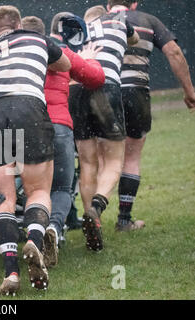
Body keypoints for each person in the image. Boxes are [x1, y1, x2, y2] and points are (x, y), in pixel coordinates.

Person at [0, 5, 70, 295]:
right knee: (39, 191)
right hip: (28, 108)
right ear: (18, 24)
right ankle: (33, 238)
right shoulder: (37, 39)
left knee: (3, 196)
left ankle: (11, 273)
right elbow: (65, 65)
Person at [22, 14, 105, 267]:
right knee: (61, 187)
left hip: (21, 126)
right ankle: (55, 229)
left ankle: (28, 231)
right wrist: (90, 57)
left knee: (23, 185)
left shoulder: (12, 54)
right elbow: (95, 78)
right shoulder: (61, 52)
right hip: (57, 125)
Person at [117, 0, 195, 231]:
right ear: (133, 4)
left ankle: (94, 215)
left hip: (104, 92)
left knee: (94, 161)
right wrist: (189, 91)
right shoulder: (148, 21)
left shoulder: (97, 22)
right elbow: (174, 51)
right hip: (136, 93)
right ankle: (123, 219)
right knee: (131, 158)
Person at [70, 3, 139, 252]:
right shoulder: (120, 21)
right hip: (106, 85)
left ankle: (93, 226)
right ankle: (97, 207)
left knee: (88, 163)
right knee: (114, 161)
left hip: (76, 88)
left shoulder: (80, 29)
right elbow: (135, 39)